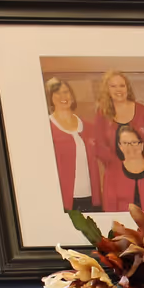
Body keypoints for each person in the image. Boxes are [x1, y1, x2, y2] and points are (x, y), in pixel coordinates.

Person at [86, 71, 144, 192]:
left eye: (122, 85)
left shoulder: (143, 111)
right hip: (116, 175)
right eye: (113, 86)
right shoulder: (102, 114)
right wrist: (120, 168)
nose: (118, 89)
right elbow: (100, 146)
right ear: (107, 90)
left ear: (127, 88)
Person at [98, 122, 144, 213]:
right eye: (125, 143)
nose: (130, 147)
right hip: (123, 225)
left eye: (134, 142)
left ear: (142, 145)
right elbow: (109, 211)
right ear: (120, 146)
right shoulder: (111, 173)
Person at [46, 78, 97, 211]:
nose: (63, 97)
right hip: (63, 200)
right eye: (57, 93)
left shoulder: (88, 127)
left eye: (66, 92)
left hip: (90, 197)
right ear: (50, 98)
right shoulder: (46, 127)